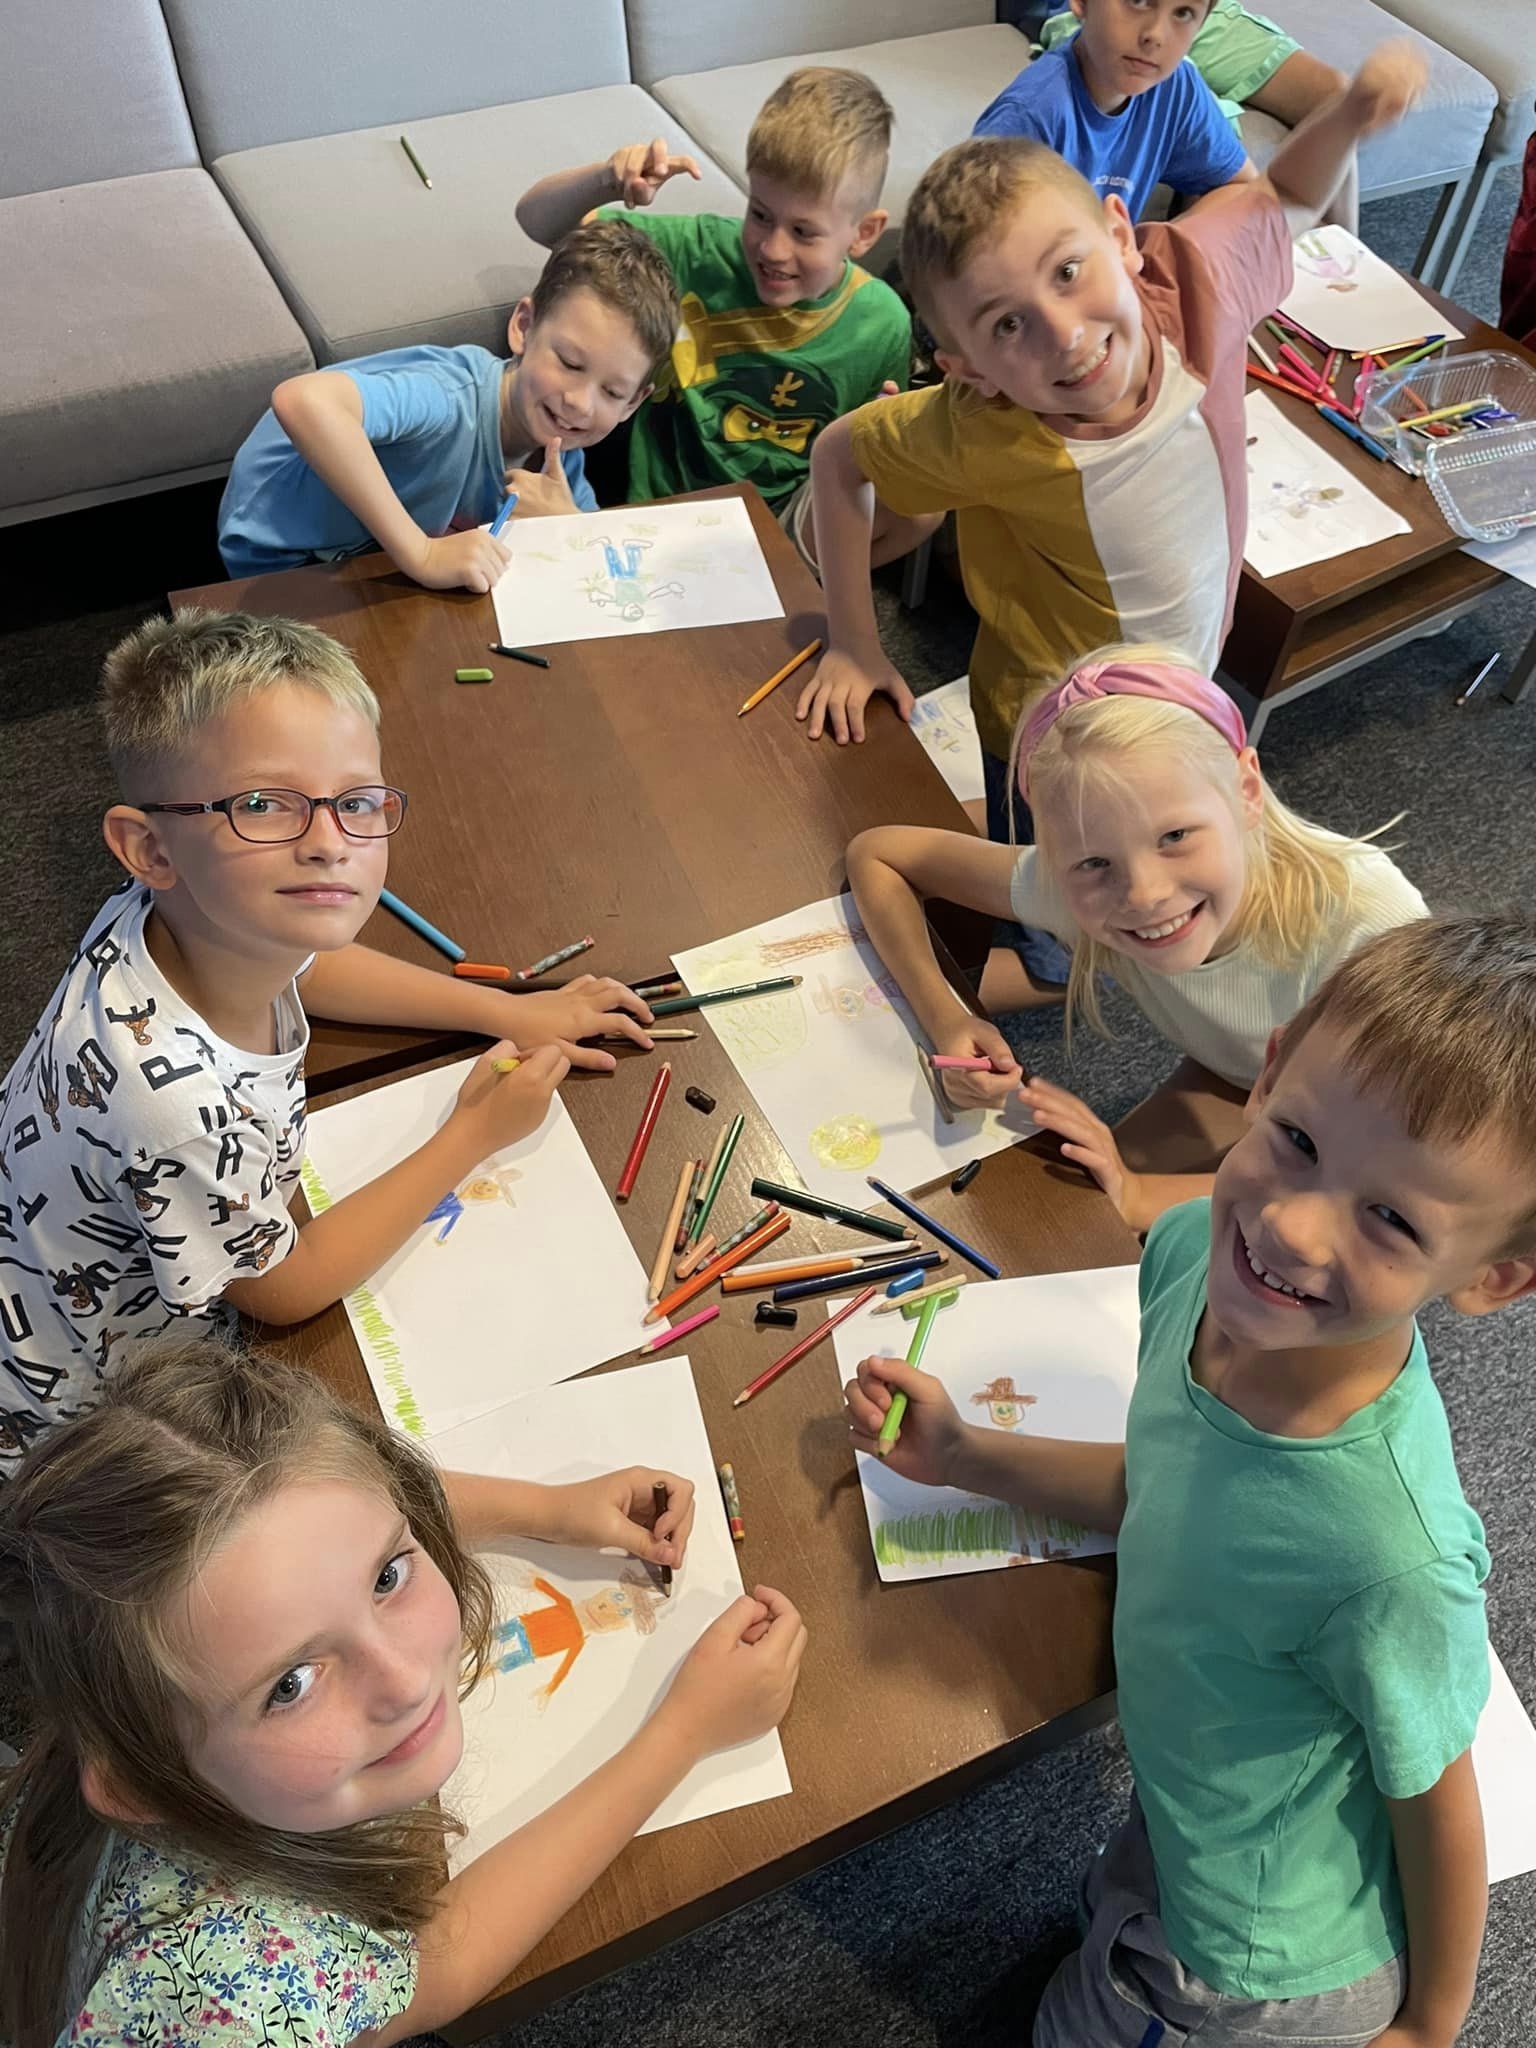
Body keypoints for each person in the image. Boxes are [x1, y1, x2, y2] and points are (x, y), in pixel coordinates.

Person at [847, 910, 1536, 2048]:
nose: (1291, 1227)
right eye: (1300, 1139)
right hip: (1187, 1818)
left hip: (1256, 1963)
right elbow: (1168, 1487)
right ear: (1269, 1072)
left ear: (1493, 1277)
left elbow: (1439, 1798)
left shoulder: (1387, 1556)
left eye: (1391, 1218)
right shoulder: (1188, 1256)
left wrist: (1428, 2028)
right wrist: (965, 1455)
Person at [801, 41, 1424, 990]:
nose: (1065, 335)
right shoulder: (984, 429)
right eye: (1006, 324)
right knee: (1067, 909)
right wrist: (853, 639)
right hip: (1053, 737)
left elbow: (1286, 198)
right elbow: (841, 453)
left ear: (1122, 233)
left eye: (1068, 271)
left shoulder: (1197, 281)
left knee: (1166, 863)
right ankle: (1046, 966)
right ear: (967, 369)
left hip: (1186, 684)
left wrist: (1344, 117)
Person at [0, 1337, 806, 2046]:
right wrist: (683, 1733)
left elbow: (325, 1522)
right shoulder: (247, 2002)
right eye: (290, 1685)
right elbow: (430, 1975)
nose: (406, 1680)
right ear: (144, 1786)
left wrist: (550, 1509)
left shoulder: (138, 1698)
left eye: (387, 1576)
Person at [0, 608, 654, 1471]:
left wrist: (508, 1012)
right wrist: (475, 1132)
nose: (329, 843)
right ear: (149, 849)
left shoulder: (199, 918)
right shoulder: (179, 1113)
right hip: (88, 1423)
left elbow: (310, 966)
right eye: (262, 804)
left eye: (355, 801)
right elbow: (286, 1289)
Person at [846, 650, 1426, 1231]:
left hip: (1357, 1145)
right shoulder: (1068, 888)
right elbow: (877, 856)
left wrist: (1139, 1193)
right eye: (1094, 862)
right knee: (1074, 1215)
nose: (1144, 895)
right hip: (1236, 1077)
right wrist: (945, 1016)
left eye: (1175, 836)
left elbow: (1370, 1176)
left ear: (1247, 790)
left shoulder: (1369, 932)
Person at [516, 67, 939, 572]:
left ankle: (807, 589)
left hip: (783, 525)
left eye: (804, 232)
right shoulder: (698, 251)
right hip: (660, 514)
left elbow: (864, 462)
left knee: (924, 508)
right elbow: (538, 221)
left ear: (864, 233)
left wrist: (881, 441)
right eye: (760, 215)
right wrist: (607, 179)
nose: (773, 249)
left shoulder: (883, 323)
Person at [218, 219, 680, 590]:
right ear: (523, 327)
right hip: (280, 556)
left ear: (633, 403)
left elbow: (605, 567)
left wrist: (569, 528)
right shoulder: (448, 398)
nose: (580, 402)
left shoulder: (560, 453)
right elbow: (303, 399)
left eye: (612, 392)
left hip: (372, 566)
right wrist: (421, 554)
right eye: (569, 363)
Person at [1029, 0, 1358, 228]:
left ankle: (1350, 275)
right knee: (1206, 126)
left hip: (1199, 13)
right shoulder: (1032, 113)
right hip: (1083, 13)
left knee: (1342, 101)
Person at [975, 0, 1258, 227]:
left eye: (1183, 13)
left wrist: (1162, 250)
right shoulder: (1028, 119)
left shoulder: (1177, 87)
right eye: (1138, 1)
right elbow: (979, 261)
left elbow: (1241, 186)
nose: (1156, 36)